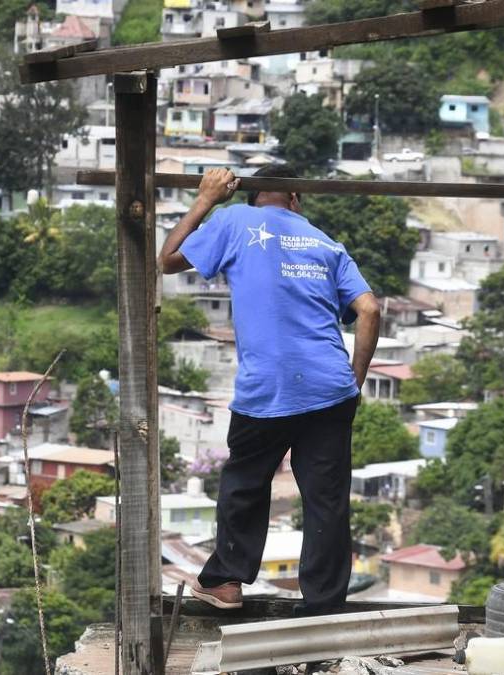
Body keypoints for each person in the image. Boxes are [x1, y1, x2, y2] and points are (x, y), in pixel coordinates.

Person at [157, 164, 381, 616]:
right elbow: (370, 309)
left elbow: (167, 259)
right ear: (296, 199)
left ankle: (226, 581)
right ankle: (323, 605)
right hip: (331, 388)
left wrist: (206, 199)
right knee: (326, 499)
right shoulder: (326, 243)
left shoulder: (235, 220)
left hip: (269, 387)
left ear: (251, 197)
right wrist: (354, 382)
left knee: (245, 482)